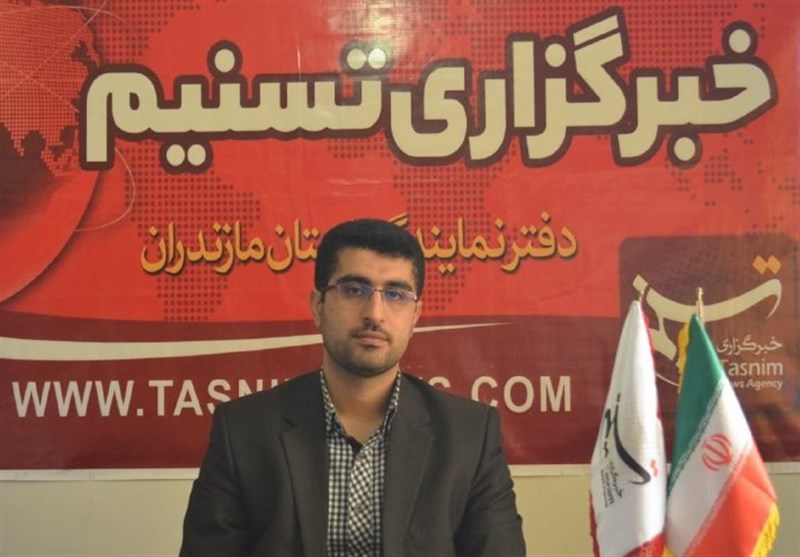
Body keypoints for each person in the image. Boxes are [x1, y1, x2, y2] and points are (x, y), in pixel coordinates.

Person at [180, 218, 525, 557]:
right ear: (318, 306)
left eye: (396, 294)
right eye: (354, 290)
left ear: (415, 315)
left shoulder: (470, 436)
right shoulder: (243, 431)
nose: (375, 313)